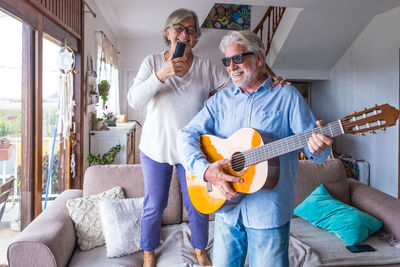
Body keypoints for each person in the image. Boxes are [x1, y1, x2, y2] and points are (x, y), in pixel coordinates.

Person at [177, 30, 333, 267]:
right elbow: (186, 135)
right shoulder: (219, 101)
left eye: (238, 58)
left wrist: (320, 145)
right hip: (226, 211)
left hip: (268, 212)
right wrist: (205, 171)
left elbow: (318, 156)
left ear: (259, 59)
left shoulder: (287, 96)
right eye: (227, 61)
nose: (232, 67)